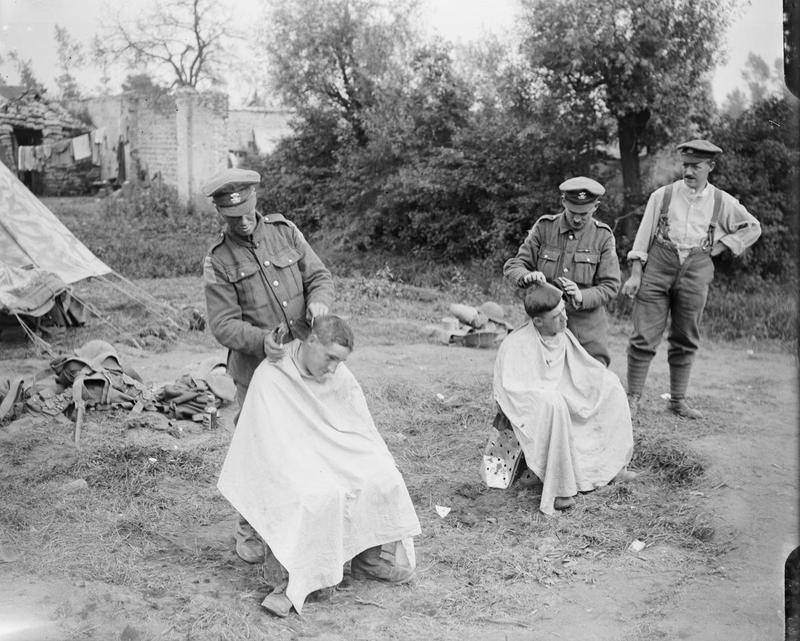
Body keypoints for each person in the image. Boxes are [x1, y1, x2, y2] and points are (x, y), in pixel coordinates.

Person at [217, 315, 421, 617]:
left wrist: (355, 458)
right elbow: (266, 444)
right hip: (289, 460)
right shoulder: (273, 373)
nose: (333, 369)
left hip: (333, 454)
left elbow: (358, 426)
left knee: (383, 477)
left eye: (340, 361)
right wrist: (308, 464)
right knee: (317, 495)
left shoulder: (338, 375)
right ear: (311, 341)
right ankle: (294, 581)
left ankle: (369, 561)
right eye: (330, 358)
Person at [202, 167, 334, 563]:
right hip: (257, 370)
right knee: (258, 449)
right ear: (220, 215)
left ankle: (301, 519)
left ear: (255, 202)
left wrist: (319, 302)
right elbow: (222, 324)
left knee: (309, 442)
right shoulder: (218, 261)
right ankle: (250, 528)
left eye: (245, 212)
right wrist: (260, 341)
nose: (241, 222)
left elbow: (319, 276)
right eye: (231, 217)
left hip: (303, 359)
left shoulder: (286, 231)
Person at [621, 140, 761, 419]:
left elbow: (752, 227)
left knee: (685, 336)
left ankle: (677, 401)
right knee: (643, 336)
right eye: (686, 165)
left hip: (696, 271)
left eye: (696, 166)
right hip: (659, 267)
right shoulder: (663, 195)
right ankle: (632, 398)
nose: (689, 172)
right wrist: (636, 274)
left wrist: (721, 246)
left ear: (710, 167)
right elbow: (643, 236)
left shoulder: (722, 201)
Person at [487, 283, 634, 515]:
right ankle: (561, 489)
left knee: (611, 385)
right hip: (531, 404)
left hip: (562, 392)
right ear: (538, 322)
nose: (565, 318)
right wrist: (548, 395)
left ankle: (612, 467)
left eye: (564, 310)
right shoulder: (517, 343)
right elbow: (512, 389)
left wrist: (599, 381)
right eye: (557, 316)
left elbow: (580, 367)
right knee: (555, 404)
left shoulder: (561, 334)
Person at [504, 177, 621, 366]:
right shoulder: (544, 228)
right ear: (563, 202)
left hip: (586, 328)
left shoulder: (603, 237)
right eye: (572, 211)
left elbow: (611, 286)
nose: (577, 218)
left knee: (591, 375)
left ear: (595, 207)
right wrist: (527, 276)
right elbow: (513, 265)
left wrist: (581, 295)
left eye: (584, 214)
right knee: (537, 374)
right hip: (546, 323)